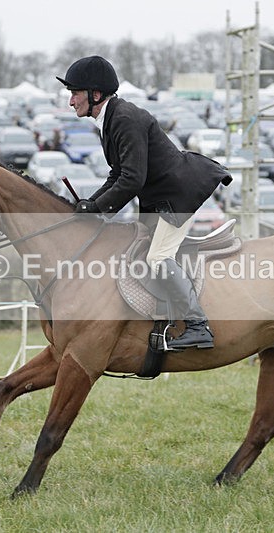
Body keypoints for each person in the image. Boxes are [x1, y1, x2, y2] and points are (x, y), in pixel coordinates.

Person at [57, 56, 232, 351]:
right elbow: (118, 174)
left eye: (75, 93)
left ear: (95, 94)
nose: (71, 101)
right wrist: (91, 204)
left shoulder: (124, 118)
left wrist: (99, 209)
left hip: (177, 195)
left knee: (157, 258)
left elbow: (132, 180)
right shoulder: (110, 118)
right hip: (158, 198)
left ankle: (197, 324)